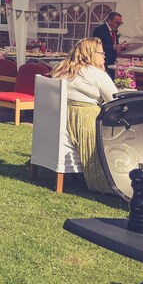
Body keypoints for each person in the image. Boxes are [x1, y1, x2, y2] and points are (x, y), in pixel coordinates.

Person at [51, 37, 118, 194]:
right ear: (90, 54)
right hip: (85, 121)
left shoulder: (61, 69)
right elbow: (115, 100)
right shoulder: (96, 74)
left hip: (62, 118)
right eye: (101, 53)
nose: (104, 57)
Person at [92, 11, 127, 77]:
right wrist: (112, 47)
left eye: (121, 23)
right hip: (103, 61)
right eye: (117, 23)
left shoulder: (114, 30)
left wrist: (121, 47)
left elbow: (114, 43)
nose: (119, 25)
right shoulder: (100, 30)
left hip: (112, 61)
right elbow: (96, 46)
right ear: (109, 21)